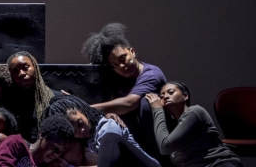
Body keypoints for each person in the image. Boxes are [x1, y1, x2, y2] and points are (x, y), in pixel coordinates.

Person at [82, 23, 167, 162]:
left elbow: (129, 103)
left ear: (132, 51)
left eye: (123, 58)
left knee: (145, 103)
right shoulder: (116, 76)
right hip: (130, 136)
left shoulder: (151, 74)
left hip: (156, 142)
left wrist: (88, 109)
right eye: (114, 64)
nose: (121, 66)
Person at [42, 95, 159, 167]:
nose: (81, 130)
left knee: (110, 138)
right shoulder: (84, 140)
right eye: (74, 131)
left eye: (80, 123)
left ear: (83, 111)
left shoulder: (108, 127)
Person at [145, 82, 242, 167]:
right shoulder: (172, 127)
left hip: (219, 164)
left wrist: (157, 109)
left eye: (171, 92)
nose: (165, 97)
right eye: (161, 97)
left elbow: (165, 147)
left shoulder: (195, 112)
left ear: (185, 96)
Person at [2, 51, 64, 143]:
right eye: (15, 70)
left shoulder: (55, 98)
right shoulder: (7, 101)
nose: (21, 73)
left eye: (26, 67)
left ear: (35, 67)